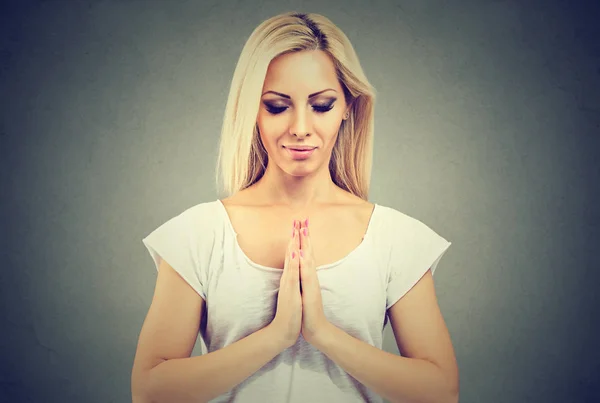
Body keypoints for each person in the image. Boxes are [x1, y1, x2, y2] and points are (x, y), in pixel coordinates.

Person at [131, 11, 458, 403]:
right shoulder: (198, 234)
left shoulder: (396, 238)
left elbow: (441, 393)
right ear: (251, 109)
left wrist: (322, 332)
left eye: (321, 105)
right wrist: (276, 336)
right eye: (276, 106)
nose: (300, 127)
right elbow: (150, 392)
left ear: (347, 108)